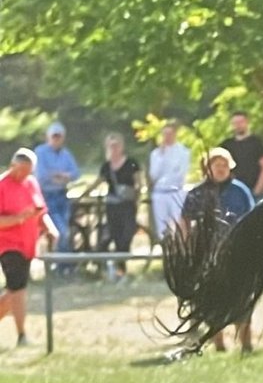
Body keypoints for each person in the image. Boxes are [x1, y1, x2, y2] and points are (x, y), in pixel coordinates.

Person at [181, 147, 256, 352]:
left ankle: (246, 344)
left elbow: (252, 217)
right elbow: (185, 220)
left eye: (224, 165)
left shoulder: (240, 191)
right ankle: (218, 343)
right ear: (208, 168)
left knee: (242, 299)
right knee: (211, 299)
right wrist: (188, 247)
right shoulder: (197, 193)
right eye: (217, 165)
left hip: (237, 251)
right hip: (207, 254)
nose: (221, 169)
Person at [0, 149, 59, 347]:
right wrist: (19, 218)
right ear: (12, 166)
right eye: (21, 171)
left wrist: (51, 229)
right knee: (18, 290)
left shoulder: (31, 183)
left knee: (13, 291)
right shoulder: (2, 186)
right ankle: (22, 336)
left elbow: (40, 211)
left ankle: (21, 334)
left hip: (28, 243)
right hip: (7, 245)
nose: (24, 176)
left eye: (28, 172)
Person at [80, 134, 142, 283]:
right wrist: (83, 194)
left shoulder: (132, 163)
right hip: (112, 206)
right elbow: (98, 182)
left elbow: (138, 183)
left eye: (116, 145)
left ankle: (121, 270)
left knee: (126, 237)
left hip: (127, 206)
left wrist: (136, 199)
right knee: (115, 236)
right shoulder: (106, 166)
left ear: (122, 146)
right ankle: (118, 271)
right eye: (111, 146)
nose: (114, 149)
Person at [33, 121, 79, 268]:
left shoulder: (66, 154)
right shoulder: (40, 152)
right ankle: (63, 266)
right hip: (47, 196)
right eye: (54, 136)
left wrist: (62, 176)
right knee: (60, 231)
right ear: (48, 137)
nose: (56, 139)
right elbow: (41, 175)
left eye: (59, 137)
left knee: (64, 230)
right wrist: (61, 175)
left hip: (62, 196)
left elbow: (76, 173)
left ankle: (64, 267)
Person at [148, 121, 191, 240]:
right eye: (165, 134)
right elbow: (154, 174)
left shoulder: (183, 152)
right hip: (160, 192)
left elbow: (180, 173)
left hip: (175, 191)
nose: (167, 137)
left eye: (170, 134)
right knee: (162, 225)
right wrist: (161, 157)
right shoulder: (156, 154)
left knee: (178, 222)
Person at [219, 110, 263, 197]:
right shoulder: (226, 145)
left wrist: (258, 190)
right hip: (232, 191)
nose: (238, 125)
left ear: (247, 122)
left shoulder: (257, 142)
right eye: (235, 123)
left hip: (253, 189)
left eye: (240, 122)